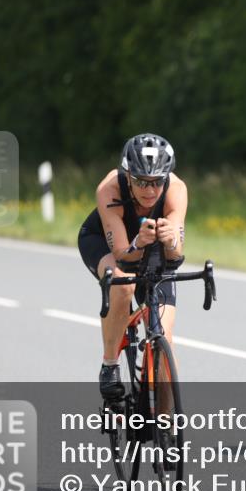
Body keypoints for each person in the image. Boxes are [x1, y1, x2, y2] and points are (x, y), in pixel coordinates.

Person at [77, 133, 187, 399]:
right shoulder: (109, 189)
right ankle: (109, 364)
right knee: (122, 284)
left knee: (166, 340)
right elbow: (122, 253)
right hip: (103, 242)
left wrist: (170, 238)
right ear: (127, 176)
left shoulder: (176, 190)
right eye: (141, 182)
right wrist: (139, 243)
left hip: (152, 247)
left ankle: (164, 426)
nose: (150, 191)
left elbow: (175, 254)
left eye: (157, 182)